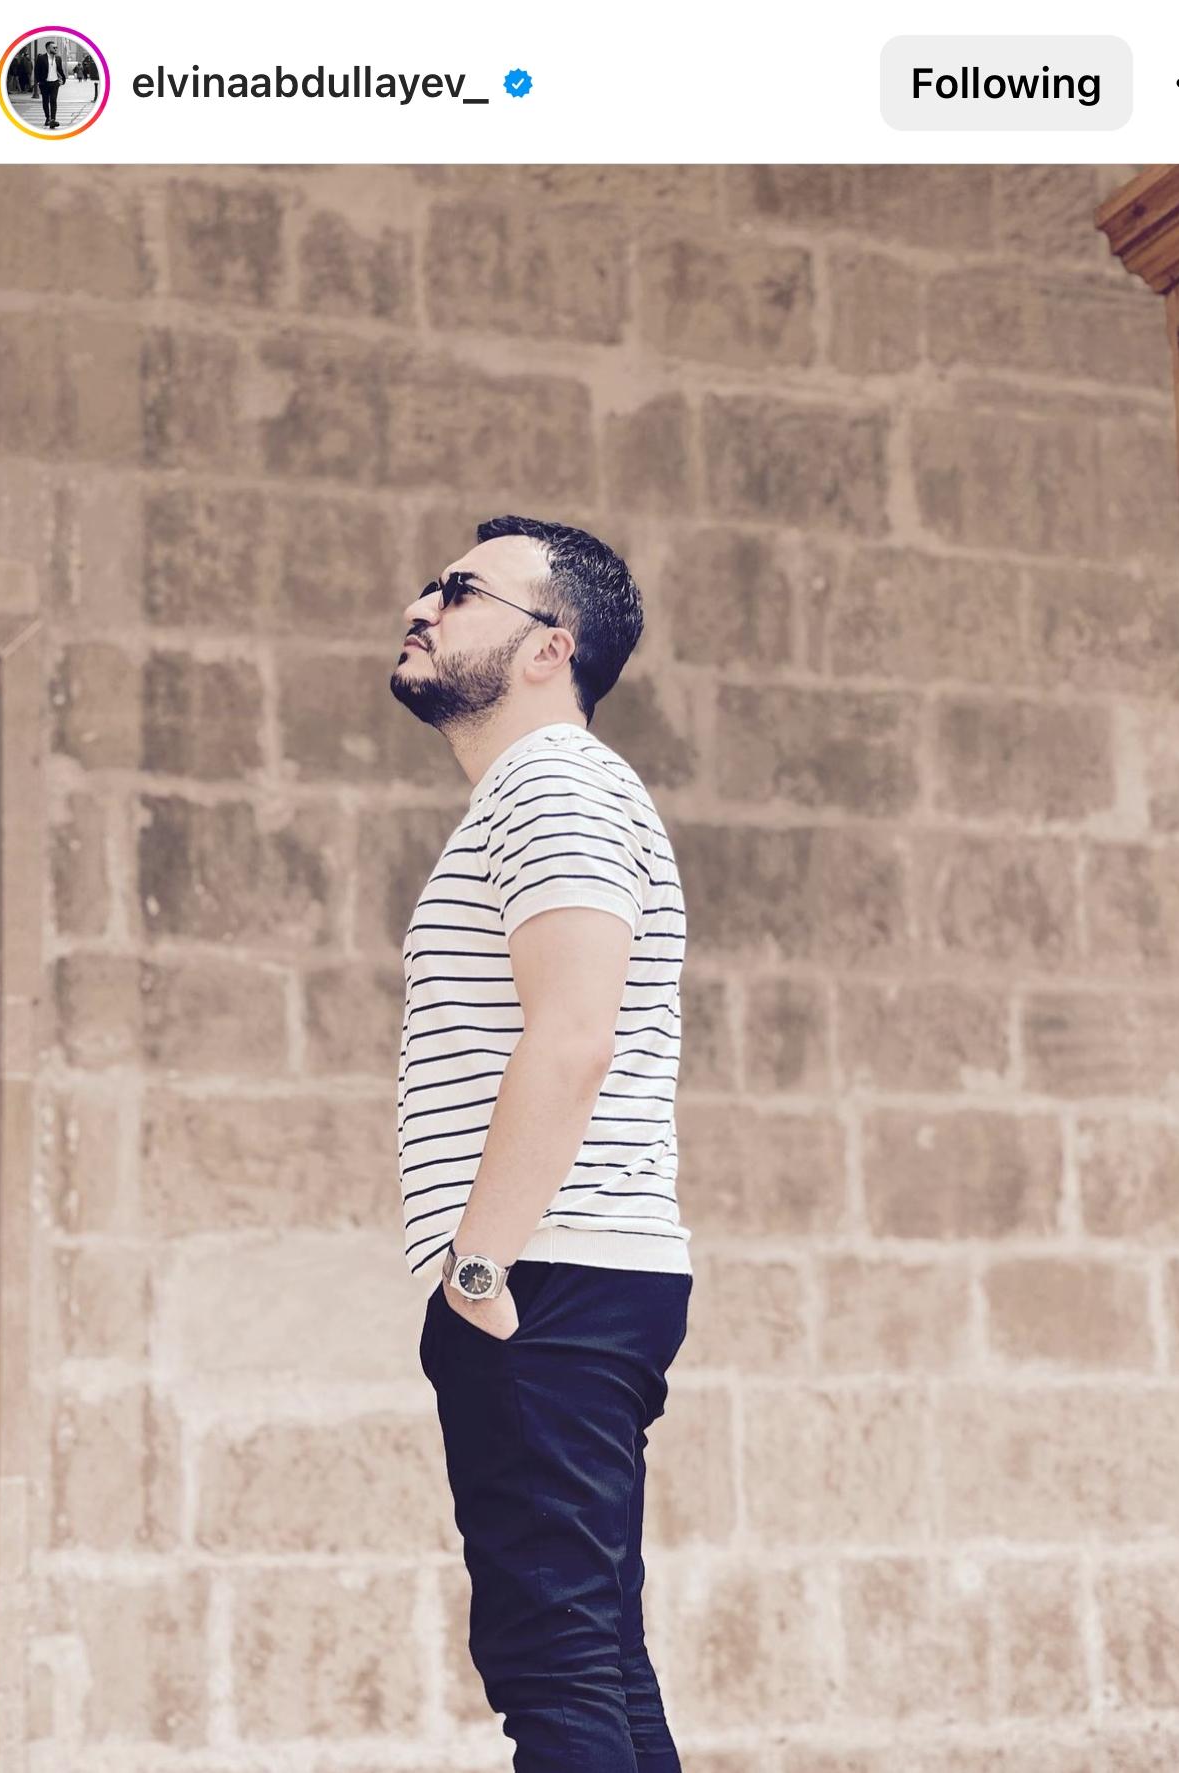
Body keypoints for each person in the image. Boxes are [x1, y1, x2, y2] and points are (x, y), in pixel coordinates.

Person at [389, 514, 693, 1771]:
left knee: (555, 1667)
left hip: (544, 1277)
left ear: (547, 648)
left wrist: (477, 1271)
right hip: (573, 1275)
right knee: (595, 1661)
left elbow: (574, 1035)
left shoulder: (554, 782)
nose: (422, 604)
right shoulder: (543, 792)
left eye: (460, 592)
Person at [33, 39, 66, 129]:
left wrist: (63, 80)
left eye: (56, 47)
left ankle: (53, 120)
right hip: (44, 83)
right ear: (48, 48)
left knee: (53, 100)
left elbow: (60, 70)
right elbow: (36, 71)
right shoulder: (41, 58)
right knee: (45, 101)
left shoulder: (58, 58)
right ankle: (48, 118)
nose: (56, 49)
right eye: (54, 47)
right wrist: (39, 82)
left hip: (55, 83)